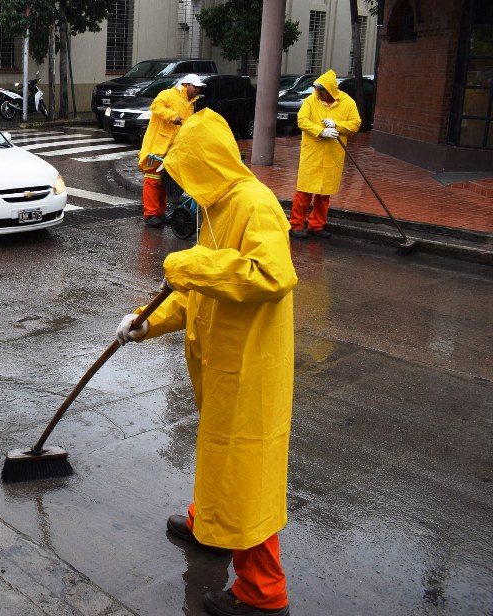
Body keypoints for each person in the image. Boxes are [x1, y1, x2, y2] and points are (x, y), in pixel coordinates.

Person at [116, 109, 298, 616]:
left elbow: (271, 274)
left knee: (244, 475)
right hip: (219, 366)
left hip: (250, 373)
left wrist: (187, 263)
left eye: (187, 170)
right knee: (218, 455)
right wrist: (146, 321)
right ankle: (210, 527)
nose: (183, 185)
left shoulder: (255, 205)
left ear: (207, 163)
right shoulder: (217, 209)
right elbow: (199, 292)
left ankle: (263, 595)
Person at [290, 69, 361, 239]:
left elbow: (355, 124)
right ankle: (296, 225)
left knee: (324, 194)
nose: (318, 93)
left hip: (332, 155)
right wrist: (321, 132)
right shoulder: (311, 101)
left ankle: (316, 225)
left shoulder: (348, 103)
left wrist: (336, 125)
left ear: (330, 90)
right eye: (317, 89)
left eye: (321, 90)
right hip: (312, 154)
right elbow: (302, 120)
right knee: (304, 192)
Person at [137, 73, 204, 228]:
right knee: (152, 180)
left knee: (163, 182)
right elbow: (155, 106)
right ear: (187, 85)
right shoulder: (168, 94)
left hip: (172, 149)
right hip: (157, 146)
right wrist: (172, 116)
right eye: (196, 87)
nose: (198, 90)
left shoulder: (190, 103)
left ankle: (159, 213)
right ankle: (151, 214)